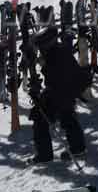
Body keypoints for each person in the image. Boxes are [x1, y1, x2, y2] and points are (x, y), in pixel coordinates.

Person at [27, 27, 88, 164]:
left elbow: (54, 82)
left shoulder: (55, 57)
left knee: (41, 116)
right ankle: (78, 147)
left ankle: (45, 154)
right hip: (68, 90)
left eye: (40, 46)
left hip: (62, 92)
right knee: (67, 115)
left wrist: (39, 96)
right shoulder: (58, 51)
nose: (40, 50)